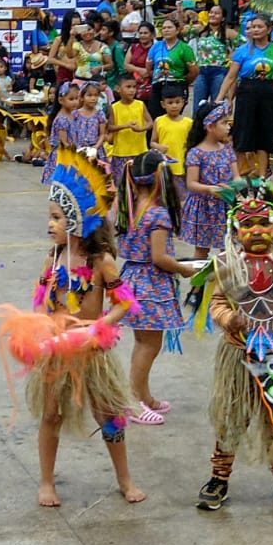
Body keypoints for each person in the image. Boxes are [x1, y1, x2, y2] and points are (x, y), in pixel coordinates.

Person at [3, 147, 144, 507]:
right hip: (55, 355)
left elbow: (125, 303)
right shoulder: (52, 258)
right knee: (51, 415)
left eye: (57, 218)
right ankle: (47, 482)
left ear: (79, 221)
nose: (49, 225)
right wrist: (35, 329)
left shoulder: (101, 261)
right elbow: (39, 299)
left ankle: (125, 479)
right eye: (49, 217)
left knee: (111, 418)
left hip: (92, 353)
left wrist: (99, 328)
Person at [194, 179, 273, 511]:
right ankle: (219, 477)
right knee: (231, 417)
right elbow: (217, 303)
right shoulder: (226, 265)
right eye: (248, 223)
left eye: (264, 223)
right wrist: (227, 319)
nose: (257, 230)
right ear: (235, 228)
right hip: (238, 354)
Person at [116, 151, 195, 425]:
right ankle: (133, 400)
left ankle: (144, 395)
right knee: (149, 344)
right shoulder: (158, 214)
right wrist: (185, 269)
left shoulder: (127, 204)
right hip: (151, 284)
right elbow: (159, 257)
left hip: (131, 278)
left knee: (143, 341)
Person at [219, 14, 273, 178]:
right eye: (253, 27)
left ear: (269, 29)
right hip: (247, 92)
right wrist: (222, 98)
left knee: (265, 134)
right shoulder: (242, 51)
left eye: (259, 26)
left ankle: (263, 175)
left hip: (269, 93)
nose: (255, 30)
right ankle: (239, 173)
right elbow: (231, 76)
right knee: (242, 133)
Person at [180, 101, 239, 289]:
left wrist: (234, 186)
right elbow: (191, 183)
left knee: (227, 248)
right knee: (201, 249)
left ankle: (227, 289)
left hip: (225, 207)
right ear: (210, 126)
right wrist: (210, 189)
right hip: (204, 207)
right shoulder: (196, 153)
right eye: (223, 122)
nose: (228, 126)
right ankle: (196, 289)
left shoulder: (227, 151)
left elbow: (236, 177)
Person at [147, 17, 198, 119]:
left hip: (177, 86)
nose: (166, 30)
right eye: (164, 28)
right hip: (158, 87)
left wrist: (183, 82)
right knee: (155, 119)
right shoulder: (156, 46)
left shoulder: (185, 48)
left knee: (173, 118)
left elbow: (194, 71)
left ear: (177, 30)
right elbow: (149, 67)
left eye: (169, 27)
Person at [190, 5, 238, 110]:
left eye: (216, 13)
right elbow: (180, 31)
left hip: (219, 72)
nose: (212, 15)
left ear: (223, 18)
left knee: (216, 106)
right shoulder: (200, 30)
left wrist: (232, 56)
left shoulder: (229, 33)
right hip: (201, 71)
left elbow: (245, 46)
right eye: (211, 12)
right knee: (198, 107)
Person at [149, 83, 192, 198]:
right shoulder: (159, 121)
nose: (174, 106)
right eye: (170, 103)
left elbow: (193, 144)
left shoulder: (188, 123)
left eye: (177, 102)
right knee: (165, 196)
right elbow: (152, 142)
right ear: (163, 104)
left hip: (182, 167)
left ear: (183, 102)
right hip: (165, 167)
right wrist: (158, 147)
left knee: (182, 197)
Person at [106, 74, 151, 181]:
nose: (132, 90)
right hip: (121, 152)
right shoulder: (114, 107)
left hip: (139, 150)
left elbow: (150, 123)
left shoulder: (140, 104)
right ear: (118, 89)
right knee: (121, 182)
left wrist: (141, 129)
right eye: (128, 87)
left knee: (139, 181)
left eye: (134, 87)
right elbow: (110, 127)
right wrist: (125, 126)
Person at [39, 82, 79, 185]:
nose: (75, 102)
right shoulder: (62, 119)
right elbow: (64, 143)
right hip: (63, 156)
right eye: (71, 99)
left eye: (77, 98)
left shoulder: (72, 115)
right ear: (61, 100)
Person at [71, 83, 108, 156]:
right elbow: (72, 133)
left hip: (95, 151)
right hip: (78, 150)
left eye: (96, 95)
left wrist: (96, 147)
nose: (93, 98)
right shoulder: (75, 114)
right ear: (82, 98)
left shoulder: (100, 114)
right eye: (89, 95)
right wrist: (76, 147)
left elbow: (102, 134)